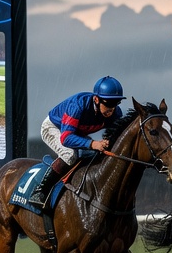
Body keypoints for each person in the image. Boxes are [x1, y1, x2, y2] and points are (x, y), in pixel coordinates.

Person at [29, 76, 126, 210]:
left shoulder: (115, 114)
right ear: (96, 99)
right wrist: (93, 144)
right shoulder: (78, 105)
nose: (112, 109)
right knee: (69, 154)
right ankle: (39, 191)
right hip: (54, 128)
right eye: (108, 103)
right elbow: (66, 138)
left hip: (74, 131)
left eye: (116, 103)